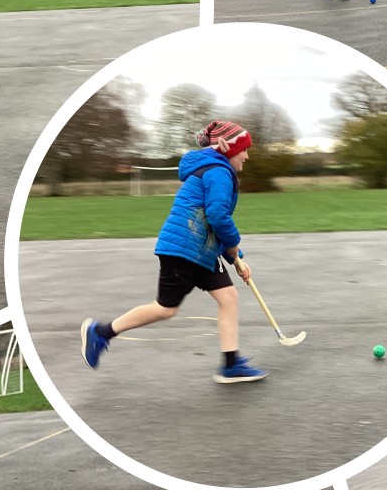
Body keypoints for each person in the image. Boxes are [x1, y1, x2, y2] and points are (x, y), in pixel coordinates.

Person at [81, 121, 267, 384]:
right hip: (184, 250)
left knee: (228, 297)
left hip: (200, 250)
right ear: (228, 147)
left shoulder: (213, 169)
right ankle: (100, 333)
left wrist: (235, 258)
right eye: (244, 149)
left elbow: (212, 222)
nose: (246, 156)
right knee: (165, 309)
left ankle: (231, 364)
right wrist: (234, 246)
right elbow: (217, 215)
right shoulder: (219, 172)